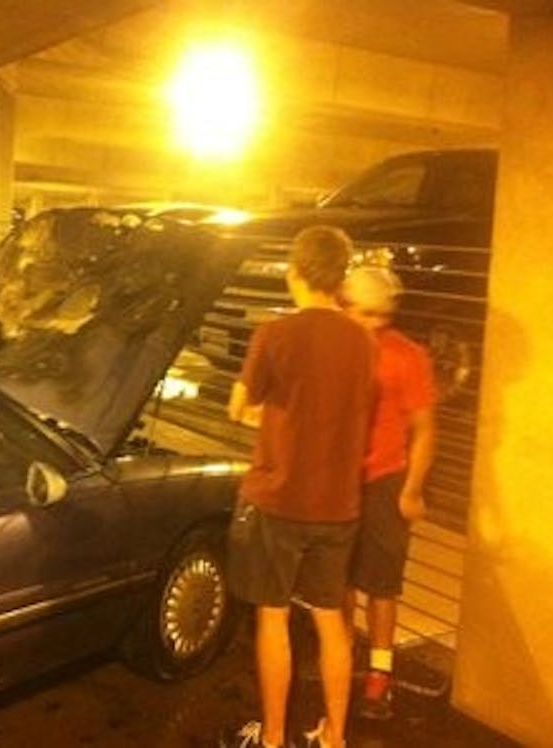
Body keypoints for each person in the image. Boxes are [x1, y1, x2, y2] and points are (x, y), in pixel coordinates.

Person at [223, 226, 376, 748]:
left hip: (281, 499)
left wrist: (274, 417)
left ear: (295, 271)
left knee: (274, 616)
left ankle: (271, 737)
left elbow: (238, 407)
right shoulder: (364, 341)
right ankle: (333, 737)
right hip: (339, 505)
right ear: (340, 277)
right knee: (332, 620)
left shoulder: (275, 333)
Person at [342, 266, 436, 720]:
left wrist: (412, 488)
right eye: (366, 313)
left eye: (384, 313)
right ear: (344, 305)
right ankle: (337, 658)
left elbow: (424, 428)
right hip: (339, 481)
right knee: (336, 579)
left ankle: (380, 674)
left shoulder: (407, 356)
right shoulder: (334, 348)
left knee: (381, 584)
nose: (377, 321)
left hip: (385, 480)